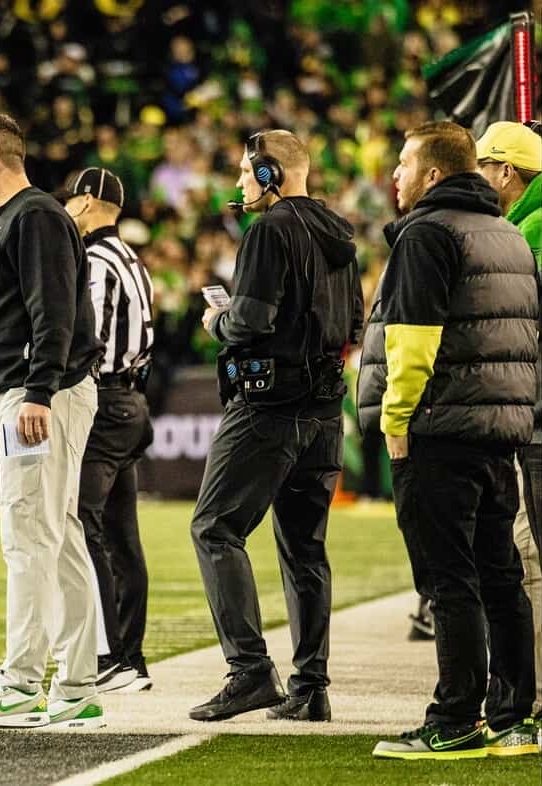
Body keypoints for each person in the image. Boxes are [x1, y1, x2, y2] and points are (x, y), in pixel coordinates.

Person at [360, 121, 538, 759]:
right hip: (500, 431)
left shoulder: (428, 234)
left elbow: (412, 340)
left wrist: (396, 419)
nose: (395, 176)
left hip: (439, 428)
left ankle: (456, 718)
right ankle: (515, 717)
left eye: (404, 163)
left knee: (447, 579)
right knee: (500, 575)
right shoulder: (509, 235)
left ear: (434, 173)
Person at [190, 130, 362, 723]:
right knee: (305, 549)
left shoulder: (269, 229)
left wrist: (218, 320)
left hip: (269, 408)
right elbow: (355, 321)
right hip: (323, 412)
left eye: (245, 173)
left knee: (214, 528)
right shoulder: (340, 231)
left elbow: (251, 321)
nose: (239, 185)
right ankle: (310, 687)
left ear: (269, 174)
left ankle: (248, 672)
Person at [0, 113, 104, 730]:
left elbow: (53, 311)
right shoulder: (22, 218)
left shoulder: (32, 215)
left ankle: (20, 683)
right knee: (56, 534)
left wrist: (34, 395)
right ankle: (76, 687)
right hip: (37, 397)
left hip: (42, 394)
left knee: (30, 535)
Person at [56, 167, 155, 694]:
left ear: (88, 202)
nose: (67, 209)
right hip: (132, 399)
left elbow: (84, 339)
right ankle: (131, 657)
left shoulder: (95, 260)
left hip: (104, 401)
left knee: (80, 523)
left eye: (71, 201)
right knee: (121, 535)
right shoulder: (133, 259)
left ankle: (109, 654)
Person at [475, 120, 542, 726]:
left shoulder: (531, 230)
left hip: (536, 417)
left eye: (484, 168)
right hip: (529, 413)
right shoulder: (522, 226)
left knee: (531, 556)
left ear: (507, 173)